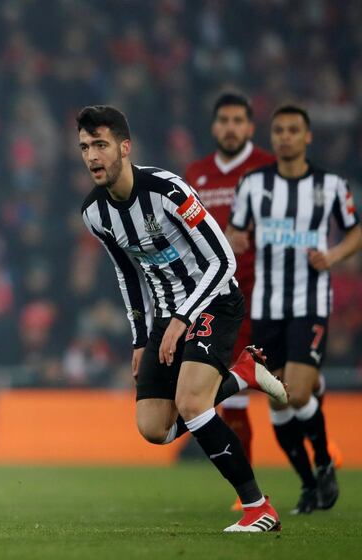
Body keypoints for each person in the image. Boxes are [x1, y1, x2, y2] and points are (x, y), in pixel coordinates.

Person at [78, 105, 287, 532]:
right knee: (154, 428)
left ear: (124, 146)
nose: (92, 156)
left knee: (192, 404)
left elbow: (223, 258)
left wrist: (183, 318)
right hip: (166, 316)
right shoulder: (94, 213)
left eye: (100, 145)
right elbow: (128, 275)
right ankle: (243, 373)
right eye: (84, 147)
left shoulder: (168, 191)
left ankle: (257, 507)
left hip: (214, 300)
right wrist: (140, 340)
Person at [228, 104, 361, 515]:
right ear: (272, 137)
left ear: (308, 137)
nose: (285, 136)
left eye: (293, 130)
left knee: (298, 390)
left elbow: (355, 230)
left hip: (309, 303)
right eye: (279, 130)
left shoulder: (331, 185)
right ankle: (309, 484)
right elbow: (236, 228)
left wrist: (335, 254)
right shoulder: (253, 184)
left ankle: (323, 463)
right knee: (278, 401)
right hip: (266, 307)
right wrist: (236, 239)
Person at [184, 93, 275, 510]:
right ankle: (248, 489)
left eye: (239, 120)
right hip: (222, 296)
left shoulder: (266, 169)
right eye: (224, 120)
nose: (231, 127)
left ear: (250, 126)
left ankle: (324, 451)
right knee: (234, 394)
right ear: (214, 126)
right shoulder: (195, 175)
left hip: (271, 290)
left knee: (298, 381)